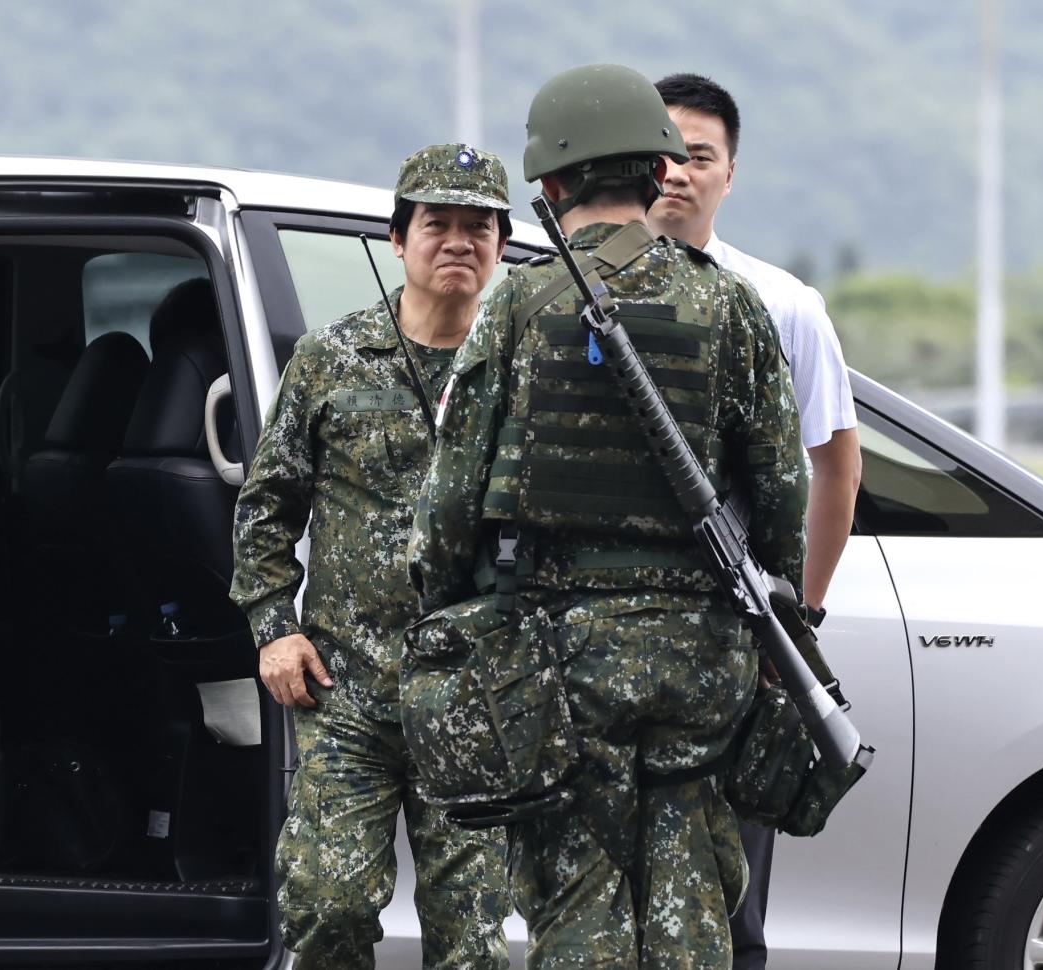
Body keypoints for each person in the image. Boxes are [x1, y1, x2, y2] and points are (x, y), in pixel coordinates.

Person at [408, 64, 807, 969]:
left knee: (578, 907)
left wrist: (444, 613)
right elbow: (784, 496)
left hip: (558, 660)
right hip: (699, 662)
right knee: (691, 905)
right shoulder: (730, 304)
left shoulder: (517, 302)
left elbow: (448, 501)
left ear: (551, 185)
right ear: (657, 171)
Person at [230, 143, 513, 970]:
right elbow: (265, 507)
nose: (458, 241)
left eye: (478, 227)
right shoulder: (332, 358)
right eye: (438, 224)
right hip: (346, 688)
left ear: (500, 247)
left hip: (477, 696)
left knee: (474, 943)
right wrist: (274, 630)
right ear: (398, 239)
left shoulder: (521, 370)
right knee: (330, 906)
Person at [649, 72, 863, 970]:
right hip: (590, 643)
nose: (677, 173)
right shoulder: (559, 297)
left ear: (730, 174)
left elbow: (836, 465)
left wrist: (796, 621)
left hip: (733, 650)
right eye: (661, 153)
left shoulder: (782, 307)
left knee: (729, 905)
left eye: (699, 155)